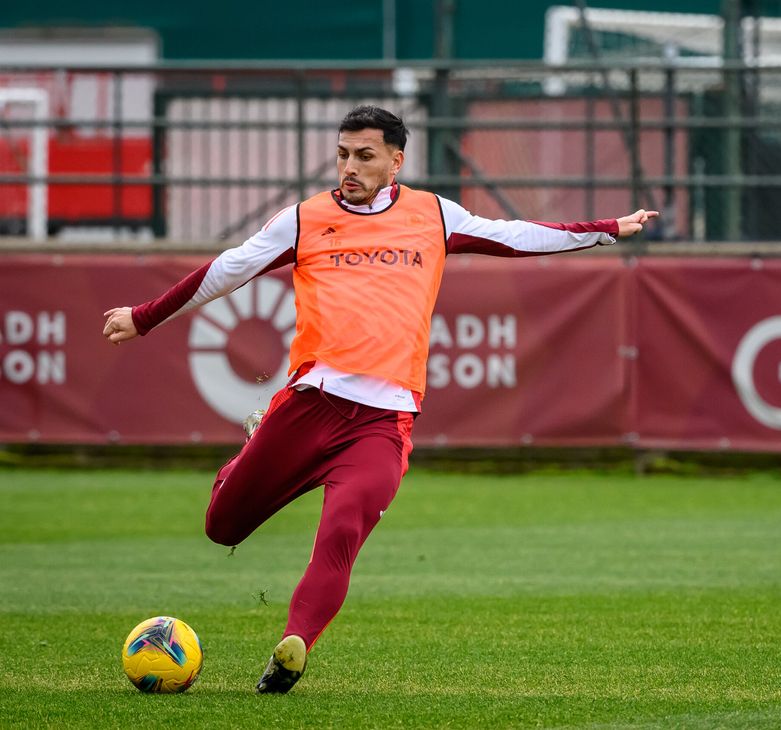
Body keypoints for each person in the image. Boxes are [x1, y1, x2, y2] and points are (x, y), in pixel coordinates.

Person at [102, 105, 659, 693]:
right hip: (309, 406)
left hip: (383, 423)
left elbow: (518, 236)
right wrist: (144, 318)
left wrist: (606, 229)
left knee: (341, 535)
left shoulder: (433, 214)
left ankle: (293, 649)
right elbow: (226, 270)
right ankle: (246, 457)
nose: (349, 167)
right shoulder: (303, 220)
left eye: (364, 156)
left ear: (396, 161)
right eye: (343, 154)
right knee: (222, 527)